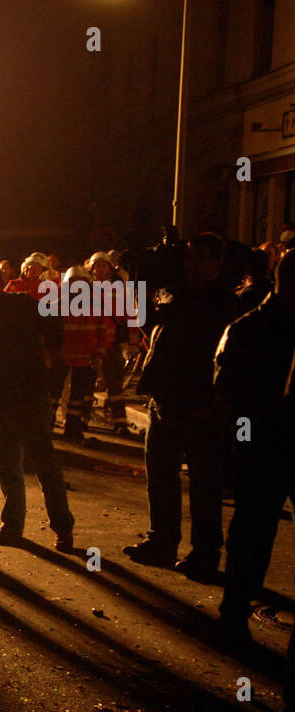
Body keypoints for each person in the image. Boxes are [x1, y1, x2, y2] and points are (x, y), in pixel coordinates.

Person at [124, 233, 237, 580]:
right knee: (160, 476)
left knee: (203, 484)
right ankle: (162, 542)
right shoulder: (174, 295)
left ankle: (204, 554)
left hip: (201, 406)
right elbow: (144, 316)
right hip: (165, 399)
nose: (192, 265)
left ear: (218, 262)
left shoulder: (224, 303)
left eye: (201, 258)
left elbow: (228, 360)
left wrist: (212, 403)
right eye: (188, 258)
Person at [213, 249, 295, 643]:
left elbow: (225, 390)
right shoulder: (250, 328)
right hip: (265, 444)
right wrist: (245, 443)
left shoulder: (249, 327)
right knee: (252, 533)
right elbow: (227, 393)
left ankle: (233, 611)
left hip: (266, 443)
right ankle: (233, 613)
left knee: (252, 531)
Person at [0, 265, 74, 549]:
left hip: (29, 396)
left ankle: (63, 527)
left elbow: (54, 325)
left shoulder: (19, 303)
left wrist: (52, 373)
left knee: (44, 465)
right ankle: (12, 524)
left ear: (1, 281)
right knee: (7, 466)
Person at [51, 264, 114, 440]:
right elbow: (48, 334)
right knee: (53, 394)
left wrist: (99, 357)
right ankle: (46, 425)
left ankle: (72, 428)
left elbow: (104, 332)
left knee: (78, 396)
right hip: (61, 358)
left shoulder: (97, 306)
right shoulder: (56, 306)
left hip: (85, 359)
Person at [88, 251, 135, 437]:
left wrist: (133, 342)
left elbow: (130, 315)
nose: (100, 269)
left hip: (112, 342)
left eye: (104, 266)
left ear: (110, 268)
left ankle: (120, 422)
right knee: (86, 385)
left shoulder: (120, 288)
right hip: (90, 343)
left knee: (115, 384)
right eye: (97, 266)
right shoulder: (85, 287)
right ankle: (79, 423)